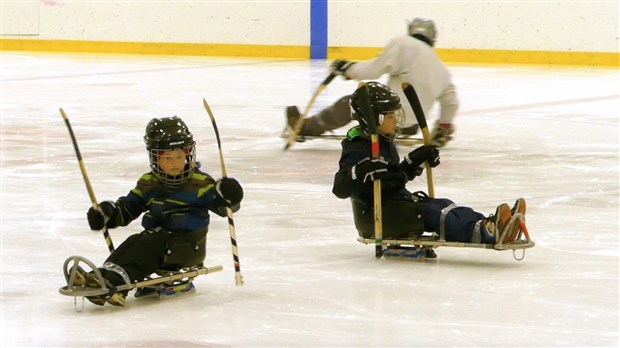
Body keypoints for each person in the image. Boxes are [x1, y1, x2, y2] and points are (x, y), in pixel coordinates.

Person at [332, 82, 526, 248]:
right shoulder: (356, 146)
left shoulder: (383, 143)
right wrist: (360, 171)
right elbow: (339, 188)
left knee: (443, 204)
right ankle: (487, 234)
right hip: (376, 217)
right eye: (388, 115)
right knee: (432, 213)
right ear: (372, 118)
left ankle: (488, 225)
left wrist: (414, 161)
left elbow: (392, 180)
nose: (394, 121)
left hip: (393, 204)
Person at [74, 116, 244, 306]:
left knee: (150, 240)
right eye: (168, 158)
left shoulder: (200, 182)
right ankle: (100, 276)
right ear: (155, 158)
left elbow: (224, 207)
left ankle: (113, 281)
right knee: (136, 240)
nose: (175, 163)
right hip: (157, 241)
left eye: (180, 156)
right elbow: (128, 208)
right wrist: (107, 214)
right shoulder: (149, 183)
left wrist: (229, 195)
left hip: (187, 246)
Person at [286, 17, 458, 147]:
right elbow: (451, 103)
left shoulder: (404, 44)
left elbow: (373, 70)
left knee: (352, 102)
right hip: (410, 125)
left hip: (388, 119)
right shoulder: (442, 69)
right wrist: (442, 127)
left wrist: (348, 69)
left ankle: (306, 128)